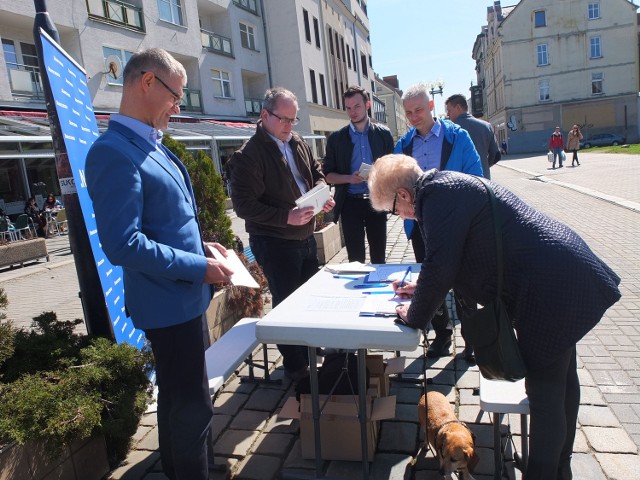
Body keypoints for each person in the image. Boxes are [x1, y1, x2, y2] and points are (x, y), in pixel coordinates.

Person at [368, 153, 621, 480]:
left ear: (403, 195)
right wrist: (421, 287)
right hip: (560, 274)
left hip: (550, 287)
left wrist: (413, 316)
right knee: (562, 381)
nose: (399, 215)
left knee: (545, 394)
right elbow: (450, 260)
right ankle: (561, 467)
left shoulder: (435, 198)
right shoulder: (444, 188)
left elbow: (440, 266)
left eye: (392, 210)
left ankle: (546, 473)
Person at [85, 48, 234, 480]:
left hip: (181, 297)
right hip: (166, 303)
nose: (178, 105)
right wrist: (197, 266)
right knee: (191, 404)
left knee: (179, 395)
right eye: (176, 94)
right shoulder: (114, 151)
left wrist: (201, 246)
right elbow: (124, 244)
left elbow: (166, 220)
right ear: (147, 82)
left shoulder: (150, 141)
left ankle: (191, 468)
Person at [228, 87, 335, 383]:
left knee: (309, 297)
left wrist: (322, 192)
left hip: (304, 234)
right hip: (274, 241)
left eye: (294, 119)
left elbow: (315, 171)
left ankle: (310, 347)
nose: (290, 126)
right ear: (265, 115)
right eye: (284, 119)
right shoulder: (248, 155)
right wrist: (285, 217)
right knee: (287, 301)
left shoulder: (297, 141)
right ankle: (294, 364)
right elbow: (243, 206)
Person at [394, 83, 483, 359]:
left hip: (458, 224)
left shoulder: (457, 138)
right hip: (421, 225)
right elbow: (397, 185)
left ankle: (472, 339)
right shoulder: (404, 144)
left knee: (465, 282)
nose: (413, 117)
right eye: (408, 112)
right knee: (430, 280)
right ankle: (442, 335)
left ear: (432, 106)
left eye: (419, 109)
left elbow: (478, 178)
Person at [323, 85, 394, 264]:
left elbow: (392, 168)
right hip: (349, 203)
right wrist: (349, 178)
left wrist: (378, 176)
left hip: (375, 201)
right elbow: (327, 175)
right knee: (355, 259)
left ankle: (378, 288)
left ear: (367, 105)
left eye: (357, 106)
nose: (352, 112)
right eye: (348, 108)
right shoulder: (336, 139)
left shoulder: (383, 134)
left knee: (379, 256)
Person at [445, 93, 501, 180]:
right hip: (483, 181)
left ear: (458, 108)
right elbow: (496, 155)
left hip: (458, 182)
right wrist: (484, 165)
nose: (447, 114)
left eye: (449, 110)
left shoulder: (449, 130)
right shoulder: (486, 126)